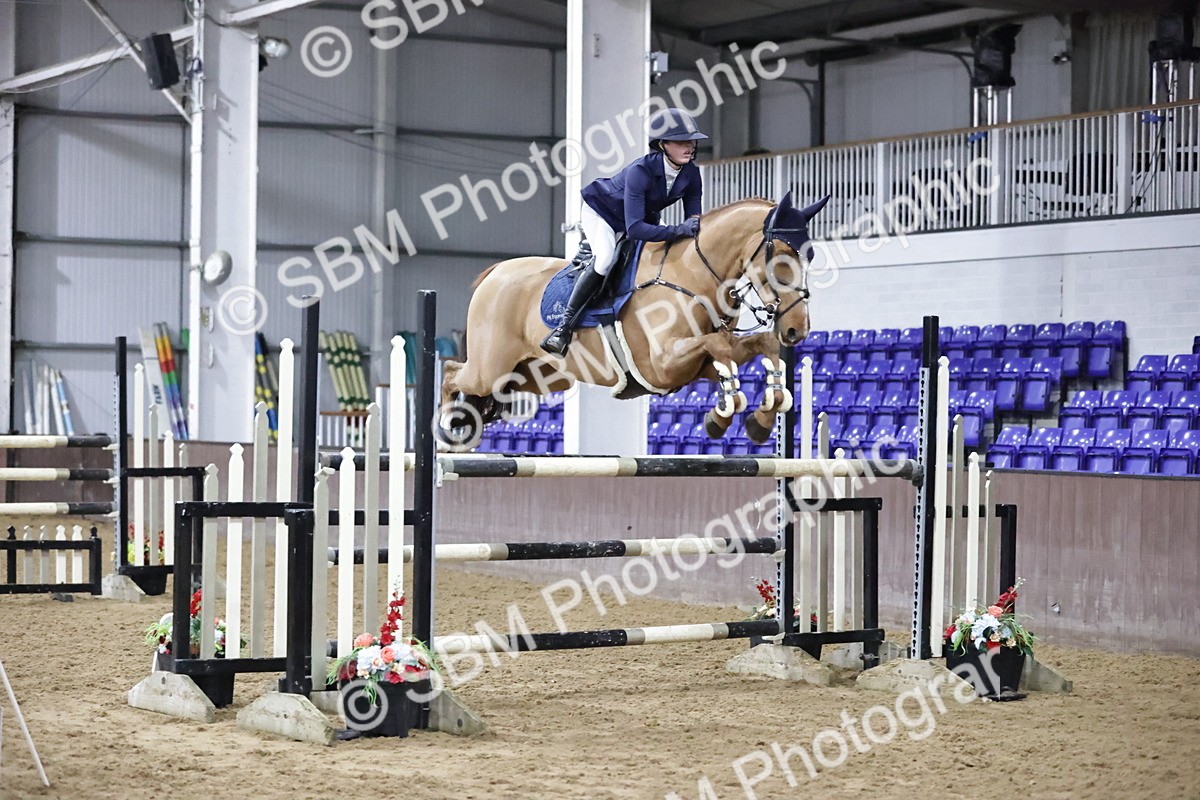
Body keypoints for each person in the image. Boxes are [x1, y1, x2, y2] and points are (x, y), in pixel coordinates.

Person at [540, 107, 707, 355]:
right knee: (606, 260)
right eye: (681, 141)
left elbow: (694, 220)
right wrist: (677, 229)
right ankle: (563, 328)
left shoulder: (692, 174)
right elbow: (636, 228)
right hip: (604, 213)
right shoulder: (641, 171)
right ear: (662, 145)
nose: (689, 146)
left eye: (692, 140)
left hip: (641, 216)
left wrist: (691, 232)